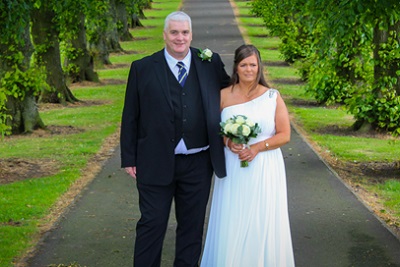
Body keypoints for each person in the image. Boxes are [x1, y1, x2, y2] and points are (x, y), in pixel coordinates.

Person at [120, 11, 231, 267]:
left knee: (191, 229)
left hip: (198, 163)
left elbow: (230, 95)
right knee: (152, 224)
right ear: (165, 35)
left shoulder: (209, 62)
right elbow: (130, 115)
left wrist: (260, 102)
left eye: (185, 32)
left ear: (191, 34)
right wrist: (129, 158)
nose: (180, 38)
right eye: (174, 32)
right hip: (154, 160)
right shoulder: (143, 68)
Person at [200, 44, 295, 266]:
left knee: (263, 218)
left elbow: (285, 135)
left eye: (253, 64)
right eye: (244, 65)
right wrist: (228, 141)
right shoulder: (223, 95)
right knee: (233, 217)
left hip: (265, 166)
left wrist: (258, 147)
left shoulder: (272, 96)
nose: (249, 69)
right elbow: (214, 129)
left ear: (259, 67)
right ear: (236, 67)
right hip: (234, 166)